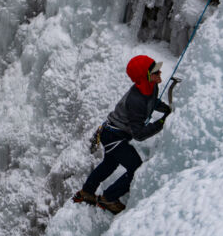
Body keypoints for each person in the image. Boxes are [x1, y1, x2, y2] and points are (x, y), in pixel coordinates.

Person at [74, 55, 173, 213]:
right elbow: (139, 134)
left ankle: (87, 192)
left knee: (110, 164)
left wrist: (165, 109)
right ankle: (108, 198)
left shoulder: (150, 87)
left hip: (112, 133)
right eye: (156, 71)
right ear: (145, 76)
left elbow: (152, 102)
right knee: (136, 167)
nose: (160, 72)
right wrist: (161, 123)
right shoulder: (136, 100)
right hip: (114, 136)